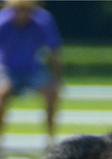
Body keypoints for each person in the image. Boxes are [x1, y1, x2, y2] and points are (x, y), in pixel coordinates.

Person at [0, 0, 62, 146]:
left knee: (52, 93)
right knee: (1, 95)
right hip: (8, 70)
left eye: (26, 10)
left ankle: (50, 139)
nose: (22, 14)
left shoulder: (43, 21)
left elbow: (54, 51)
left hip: (33, 69)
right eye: (18, 10)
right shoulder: (3, 22)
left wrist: (56, 79)